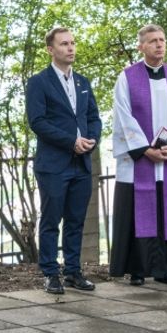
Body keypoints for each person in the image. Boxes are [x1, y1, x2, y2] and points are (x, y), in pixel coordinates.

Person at [109, 24, 167, 286]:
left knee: (166, 212)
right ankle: (137, 268)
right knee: (138, 214)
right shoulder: (127, 78)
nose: (159, 44)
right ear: (141, 46)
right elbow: (123, 117)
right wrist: (144, 149)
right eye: (153, 41)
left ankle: (165, 269)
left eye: (162, 39)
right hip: (139, 164)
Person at [25, 27, 102, 295]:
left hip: (82, 163)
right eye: (64, 44)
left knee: (76, 220)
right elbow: (38, 122)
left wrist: (92, 139)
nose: (70, 48)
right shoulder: (38, 82)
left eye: (73, 43)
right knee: (51, 220)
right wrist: (71, 141)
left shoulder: (82, 82)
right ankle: (50, 273)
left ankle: (73, 271)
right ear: (51, 49)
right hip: (54, 164)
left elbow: (93, 116)